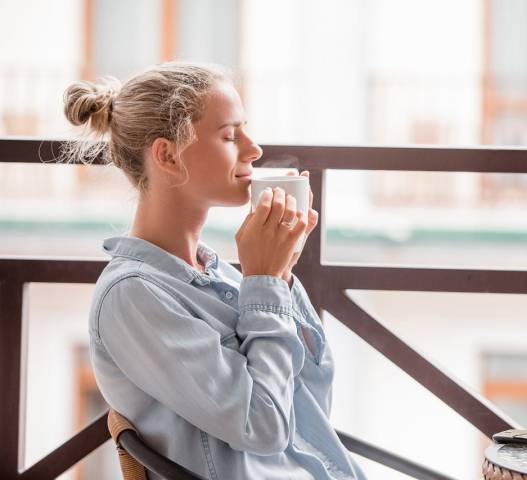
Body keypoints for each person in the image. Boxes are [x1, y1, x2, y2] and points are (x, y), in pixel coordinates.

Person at [63, 62, 366, 480]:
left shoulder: (215, 273)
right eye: (229, 135)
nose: (254, 149)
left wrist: (282, 273)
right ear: (168, 155)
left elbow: (310, 397)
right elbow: (265, 428)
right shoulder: (131, 296)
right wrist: (265, 284)